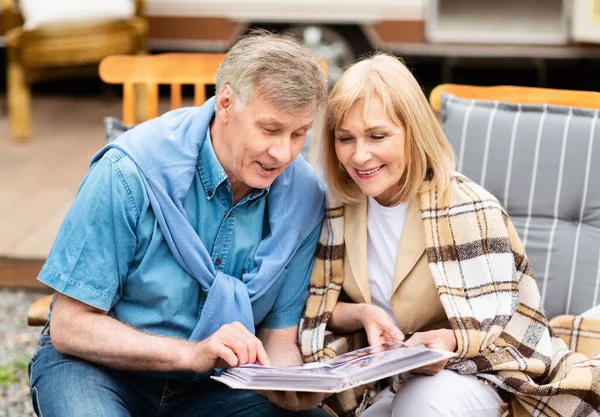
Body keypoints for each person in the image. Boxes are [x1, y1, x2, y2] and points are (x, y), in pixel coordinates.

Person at [29, 31, 331, 417]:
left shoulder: (303, 197)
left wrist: (286, 383)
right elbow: (70, 326)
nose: (283, 152)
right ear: (225, 103)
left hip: (216, 387)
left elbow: (278, 337)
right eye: (270, 130)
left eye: (299, 134)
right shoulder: (128, 171)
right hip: (99, 370)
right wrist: (192, 353)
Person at [300, 53, 600, 417]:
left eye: (377, 136)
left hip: (479, 375)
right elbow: (316, 305)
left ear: (413, 133)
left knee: (424, 402)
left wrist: (451, 341)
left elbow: (513, 321)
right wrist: (363, 313)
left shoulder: (467, 206)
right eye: (345, 138)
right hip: (386, 383)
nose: (360, 155)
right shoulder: (336, 206)